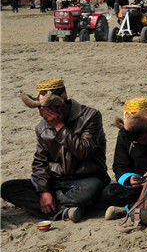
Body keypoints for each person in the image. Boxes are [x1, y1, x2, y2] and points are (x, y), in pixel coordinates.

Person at [1, 79, 108, 222]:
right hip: (56, 181)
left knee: (91, 190)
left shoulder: (90, 116)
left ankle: (60, 209)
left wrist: (60, 127)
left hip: (86, 179)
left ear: (61, 106)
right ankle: (67, 210)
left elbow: (84, 151)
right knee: (8, 188)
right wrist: (44, 191)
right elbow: (40, 163)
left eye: (47, 108)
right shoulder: (42, 127)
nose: (43, 113)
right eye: (41, 108)